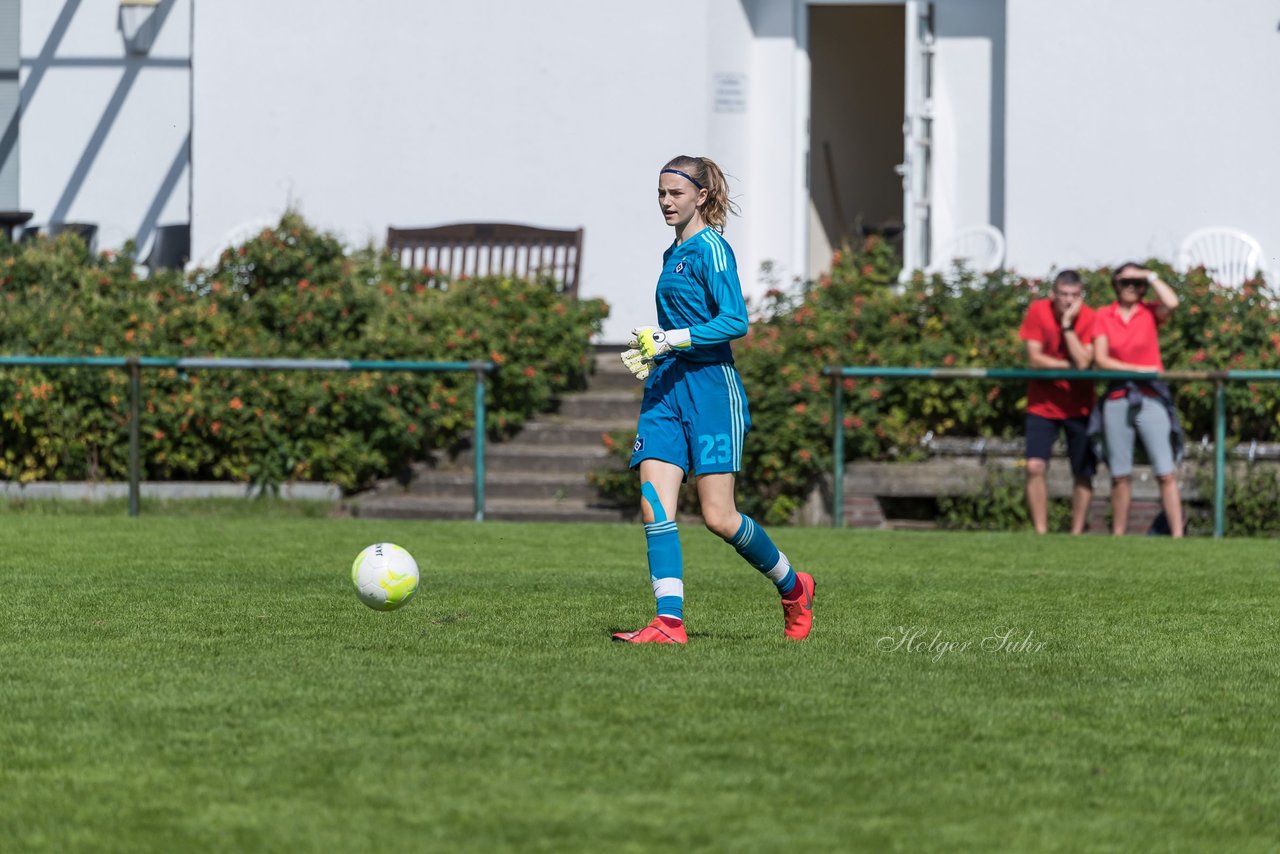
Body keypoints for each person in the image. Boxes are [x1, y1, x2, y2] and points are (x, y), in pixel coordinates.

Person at [613, 155, 814, 645]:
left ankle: (794, 587)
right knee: (653, 503)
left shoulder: (713, 250)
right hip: (666, 390)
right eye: (660, 194)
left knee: (719, 517)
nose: (665, 202)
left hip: (710, 392)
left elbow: (735, 322)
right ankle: (669, 623)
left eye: (675, 194)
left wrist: (672, 339)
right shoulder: (672, 252)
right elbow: (681, 328)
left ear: (701, 197)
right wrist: (653, 347)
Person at [1091, 262, 1184, 537]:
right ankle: (1118, 536)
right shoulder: (1103, 315)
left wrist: (1150, 275)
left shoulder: (1150, 312)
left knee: (1165, 471)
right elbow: (1101, 359)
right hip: (1119, 396)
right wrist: (1137, 370)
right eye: (1125, 282)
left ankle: (1179, 536)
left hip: (1150, 397)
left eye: (1137, 283)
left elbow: (1173, 302)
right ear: (1115, 285)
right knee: (1119, 474)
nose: (1131, 288)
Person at [1018, 269, 1097, 534]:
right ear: (1053, 294)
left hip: (1080, 404)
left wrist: (1067, 325)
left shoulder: (1089, 317)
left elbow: (1085, 362)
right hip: (1043, 405)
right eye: (1063, 294)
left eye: (1074, 295)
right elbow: (1034, 358)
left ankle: (1076, 533)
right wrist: (1067, 366)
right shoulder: (1038, 311)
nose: (1068, 301)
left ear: (1081, 296)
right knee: (1034, 466)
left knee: (1083, 471)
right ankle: (1041, 532)